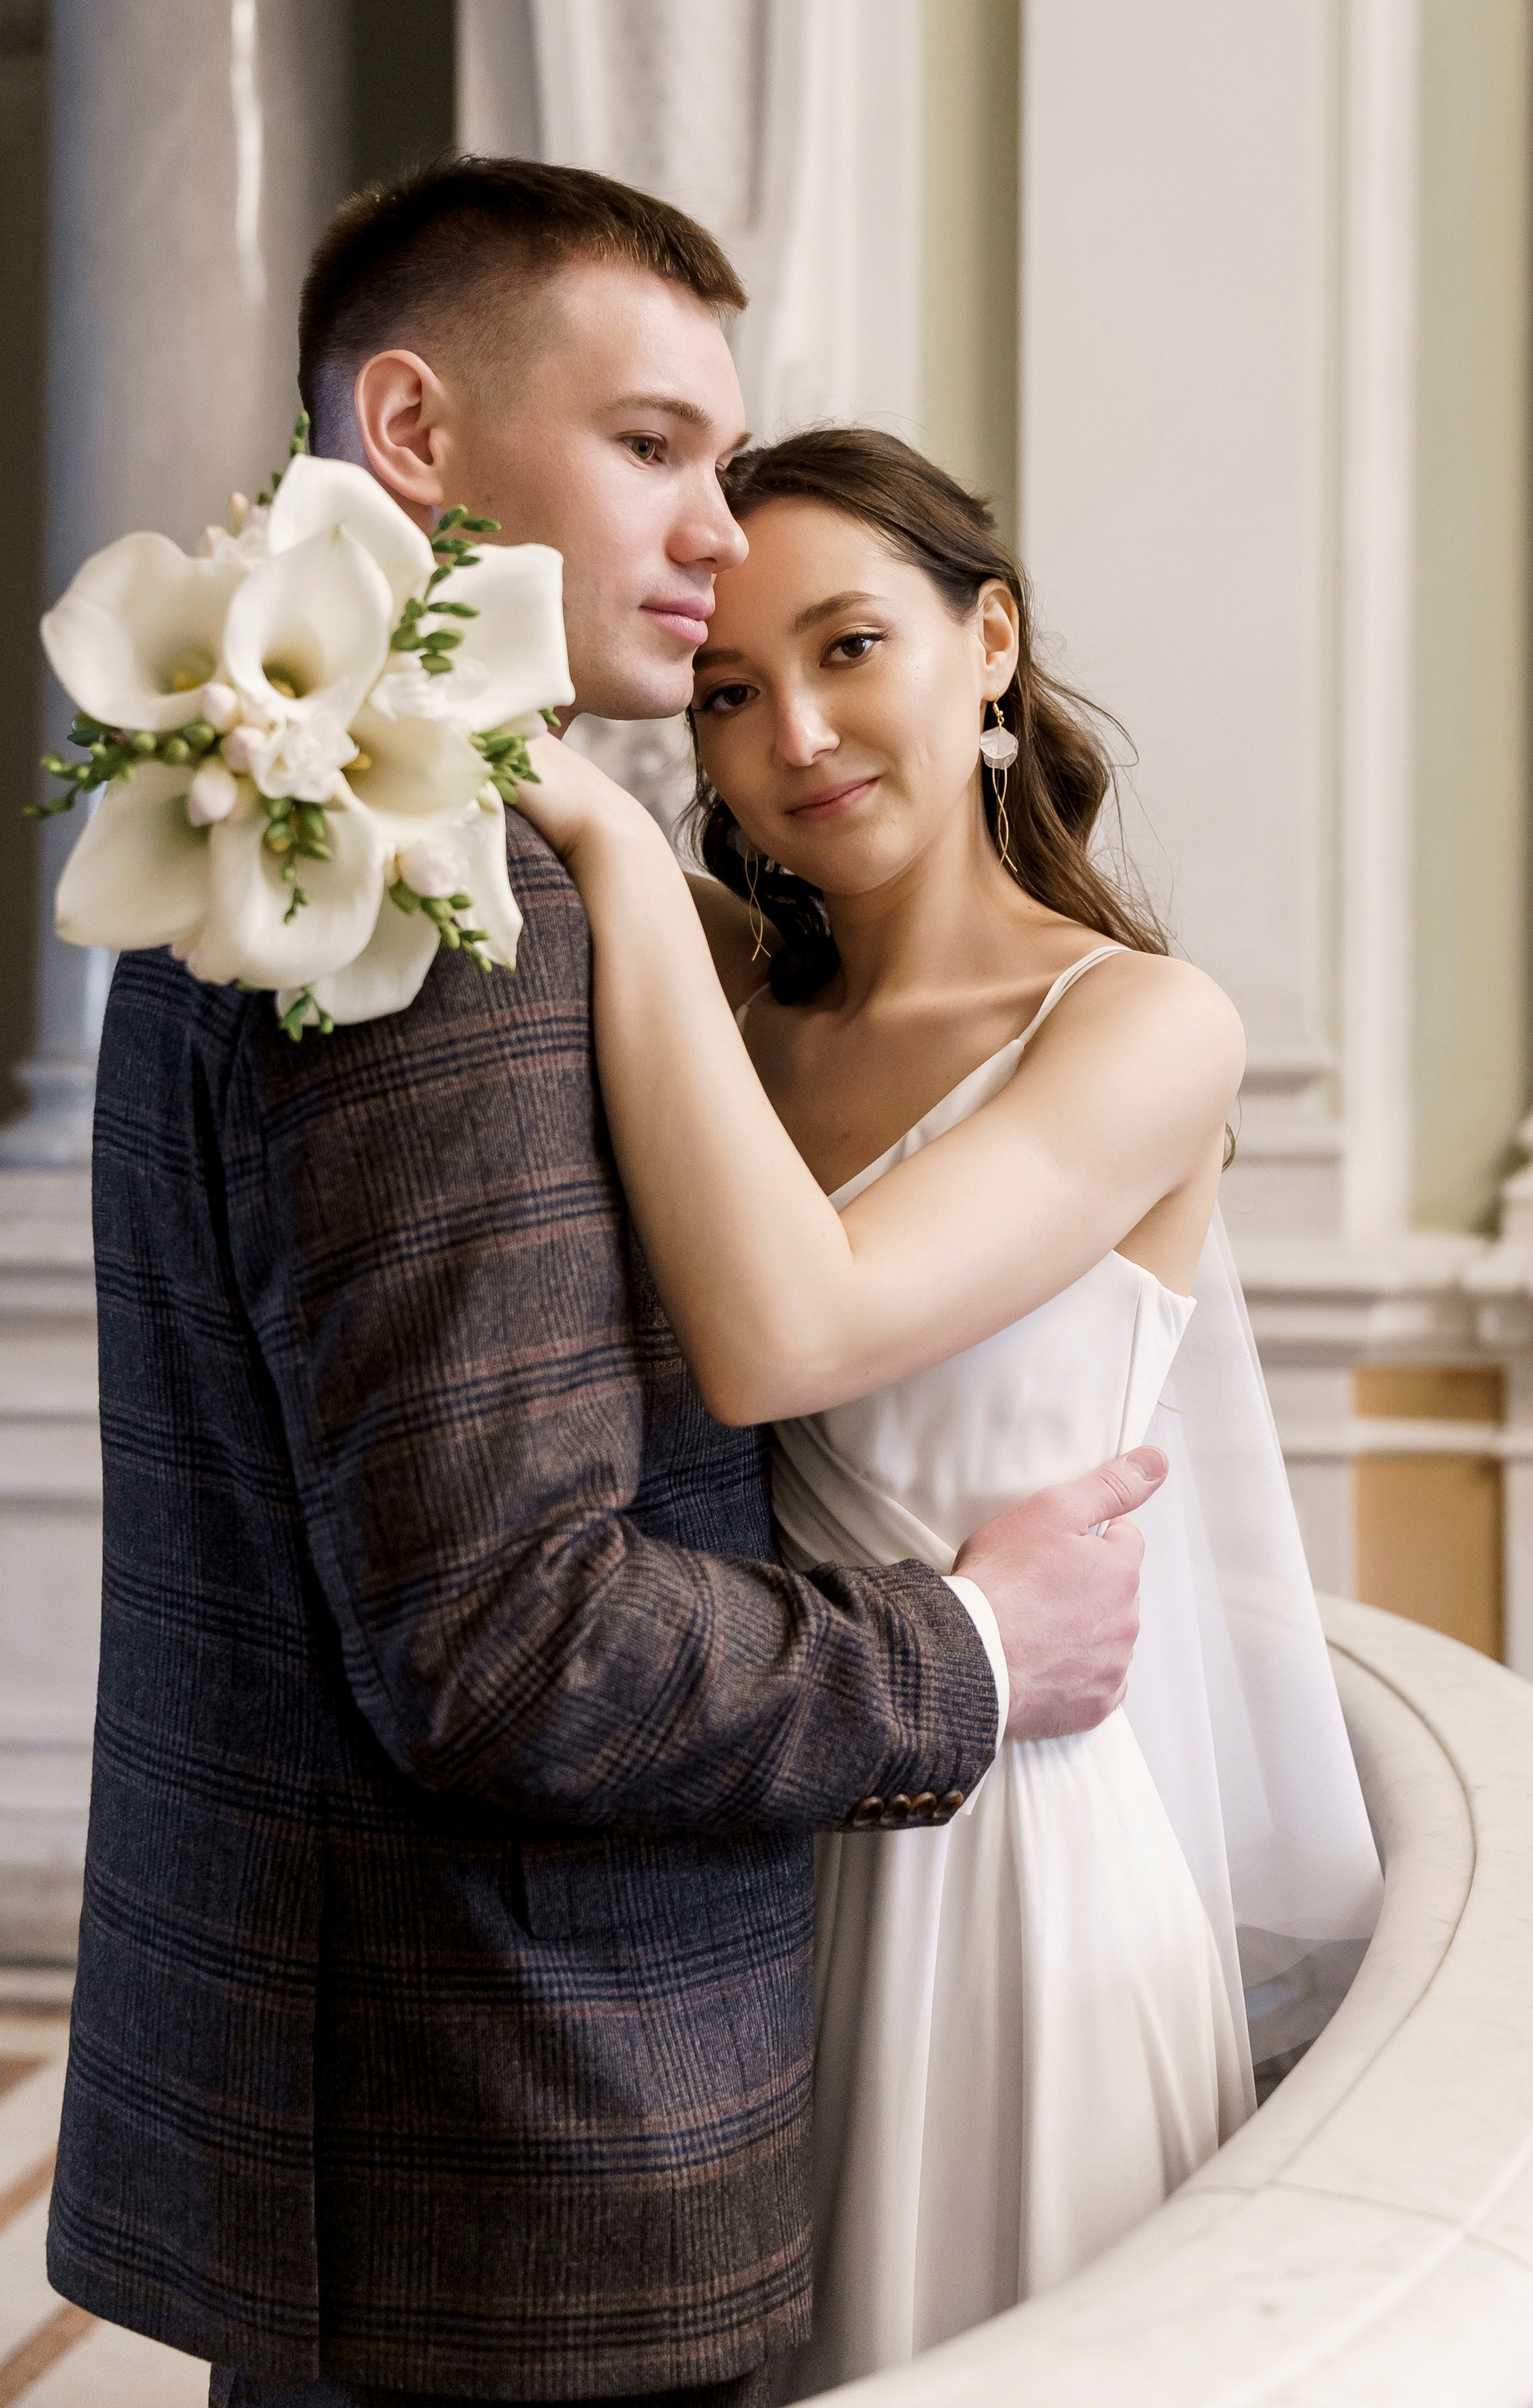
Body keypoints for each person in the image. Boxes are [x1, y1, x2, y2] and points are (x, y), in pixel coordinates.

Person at [46, 162, 1171, 2408]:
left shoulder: (268, 833)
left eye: (726, 468)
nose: (718, 534)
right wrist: (968, 1640)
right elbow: (507, 1639)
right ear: (420, 434)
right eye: (655, 447)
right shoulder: (436, 902)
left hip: (411, 2104)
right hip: (525, 2128)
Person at [516, 426, 1383, 2395]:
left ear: (987, 642)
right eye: (727, 692)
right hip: (753, 1814)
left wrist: (618, 859)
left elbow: (783, 1341)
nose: (793, 733)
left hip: (1015, 1874)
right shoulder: (726, 1012)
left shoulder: (1147, 1025)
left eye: (848, 648)